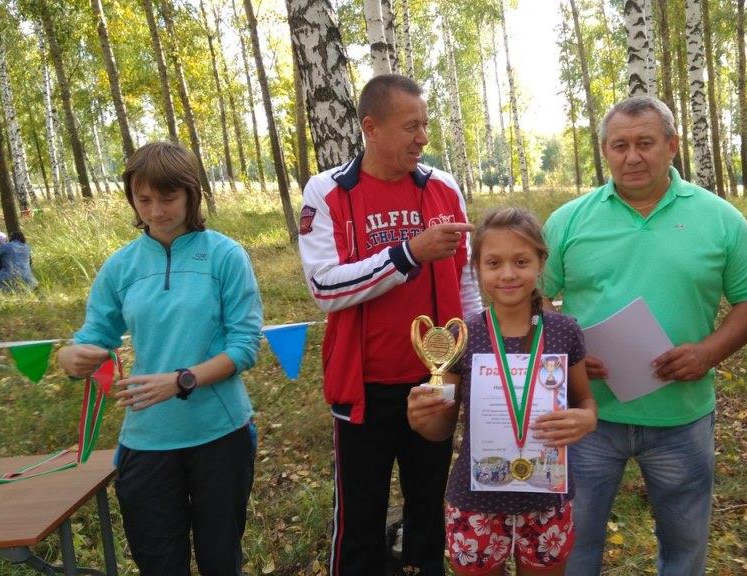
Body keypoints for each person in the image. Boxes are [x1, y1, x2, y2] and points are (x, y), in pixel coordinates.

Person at [542, 95, 747, 576]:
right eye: (619, 145)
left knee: (684, 548)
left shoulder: (720, 219)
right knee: (573, 545)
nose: (632, 156)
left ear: (672, 145)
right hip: (588, 415)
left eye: (646, 143)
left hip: (681, 418)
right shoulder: (569, 221)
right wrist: (568, 353)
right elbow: (533, 296)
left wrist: (707, 353)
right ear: (604, 151)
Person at [297, 73, 482, 576]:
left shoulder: (443, 187)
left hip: (436, 383)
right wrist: (407, 254)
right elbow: (324, 288)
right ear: (371, 128)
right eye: (411, 127)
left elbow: (466, 281)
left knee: (428, 513)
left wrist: (478, 354)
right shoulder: (329, 192)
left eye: (425, 125)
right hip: (365, 387)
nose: (423, 138)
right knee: (360, 520)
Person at [57, 141, 263, 576]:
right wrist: (71, 356)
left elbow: (245, 346)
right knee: (159, 563)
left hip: (220, 434)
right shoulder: (121, 266)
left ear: (192, 193)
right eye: (143, 199)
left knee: (220, 559)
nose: (155, 211)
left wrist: (182, 380)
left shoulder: (225, 255)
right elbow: (93, 336)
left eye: (168, 198)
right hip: (147, 440)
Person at [406, 207, 597, 576]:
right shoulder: (462, 336)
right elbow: (440, 429)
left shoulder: (564, 332)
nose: (508, 274)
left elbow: (585, 401)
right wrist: (421, 419)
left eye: (521, 261)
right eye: (494, 262)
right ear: (476, 267)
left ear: (541, 263)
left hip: (547, 496)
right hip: (475, 499)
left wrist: (587, 419)